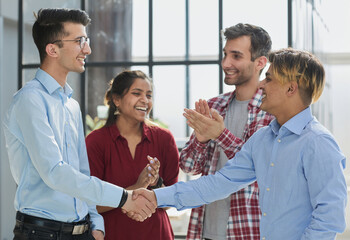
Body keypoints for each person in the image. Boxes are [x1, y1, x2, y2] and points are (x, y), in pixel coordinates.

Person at [134, 48, 348, 240]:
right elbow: (219, 183)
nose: (262, 84)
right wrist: (157, 196)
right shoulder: (263, 139)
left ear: (291, 89)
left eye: (270, 79)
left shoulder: (318, 143)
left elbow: (329, 218)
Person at [2, 8, 154, 240]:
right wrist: (124, 198)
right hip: (42, 233)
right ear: (52, 49)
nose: (88, 49)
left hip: (83, 231)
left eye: (87, 40)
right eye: (79, 41)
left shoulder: (71, 105)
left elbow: (82, 173)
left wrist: (96, 222)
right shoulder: (29, 100)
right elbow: (55, 172)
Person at [179, 23, 274, 240]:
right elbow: (188, 166)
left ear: (260, 62)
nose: (225, 63)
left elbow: (258, 167)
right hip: (206, 231)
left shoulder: (272, 112)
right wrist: (201, 140)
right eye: (225, 54)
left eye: (236, 56)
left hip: (250, 232)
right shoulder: (215, 106)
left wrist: (220, 134)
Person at [85, 70, 179, 240]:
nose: (145, 100)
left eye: (149, 95)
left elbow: (171, 202)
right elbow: (90, 204)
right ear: (116, 99)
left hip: (157, 235)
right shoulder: (96, 142)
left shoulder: (164, 139)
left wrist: (156, 182)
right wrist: (136, 186)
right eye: (137, 93)